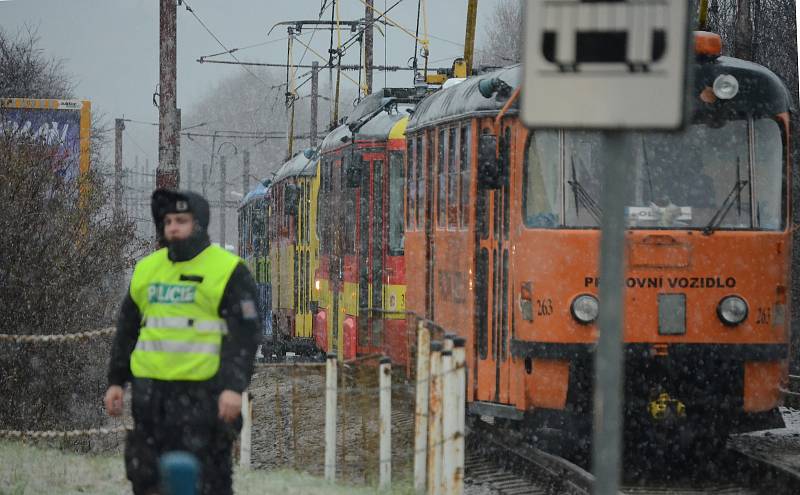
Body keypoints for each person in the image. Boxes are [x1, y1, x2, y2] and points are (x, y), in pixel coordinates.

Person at [104, 189, 261, 495]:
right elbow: (127, 330)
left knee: (207, 480)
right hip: (151, 397)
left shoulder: (228, 271)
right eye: (168, 221)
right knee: (147, 477)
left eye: (182, 220)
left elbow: (245, 336)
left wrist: (233, 387)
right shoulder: (147, 270)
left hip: (204, 396)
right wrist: (115, 381)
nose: (173, 227)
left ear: (199, 224)